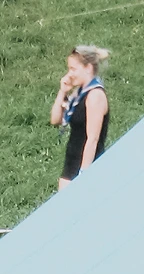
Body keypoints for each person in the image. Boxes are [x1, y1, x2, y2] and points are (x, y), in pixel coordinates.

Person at [52, 46, 110, 189]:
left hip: (86, 166)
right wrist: (62, 91)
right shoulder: (79, 93)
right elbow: (55, 120)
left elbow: (93, 138)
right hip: (71, 164)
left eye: (73, 69)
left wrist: (84, 175)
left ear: (88, 68)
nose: (70, 74)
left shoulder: (95, 95)